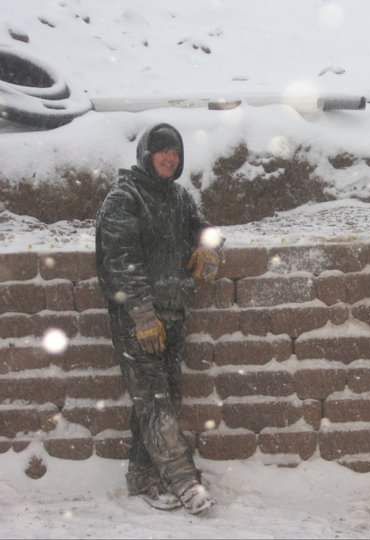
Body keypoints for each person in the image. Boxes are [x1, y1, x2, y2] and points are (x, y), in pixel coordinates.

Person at [95, 123, 222, 515]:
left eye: (176, 152)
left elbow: (203, 227)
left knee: (158, 399)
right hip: (139, 318)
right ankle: (185, 480)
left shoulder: (179, 196)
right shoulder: (125, 197)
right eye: (162, 150)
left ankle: (141, 473)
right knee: (154, 401)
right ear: (146, 154)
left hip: (172, 313)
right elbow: (120, 260)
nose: (171, 158)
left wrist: (207, 246)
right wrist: (142, 312)